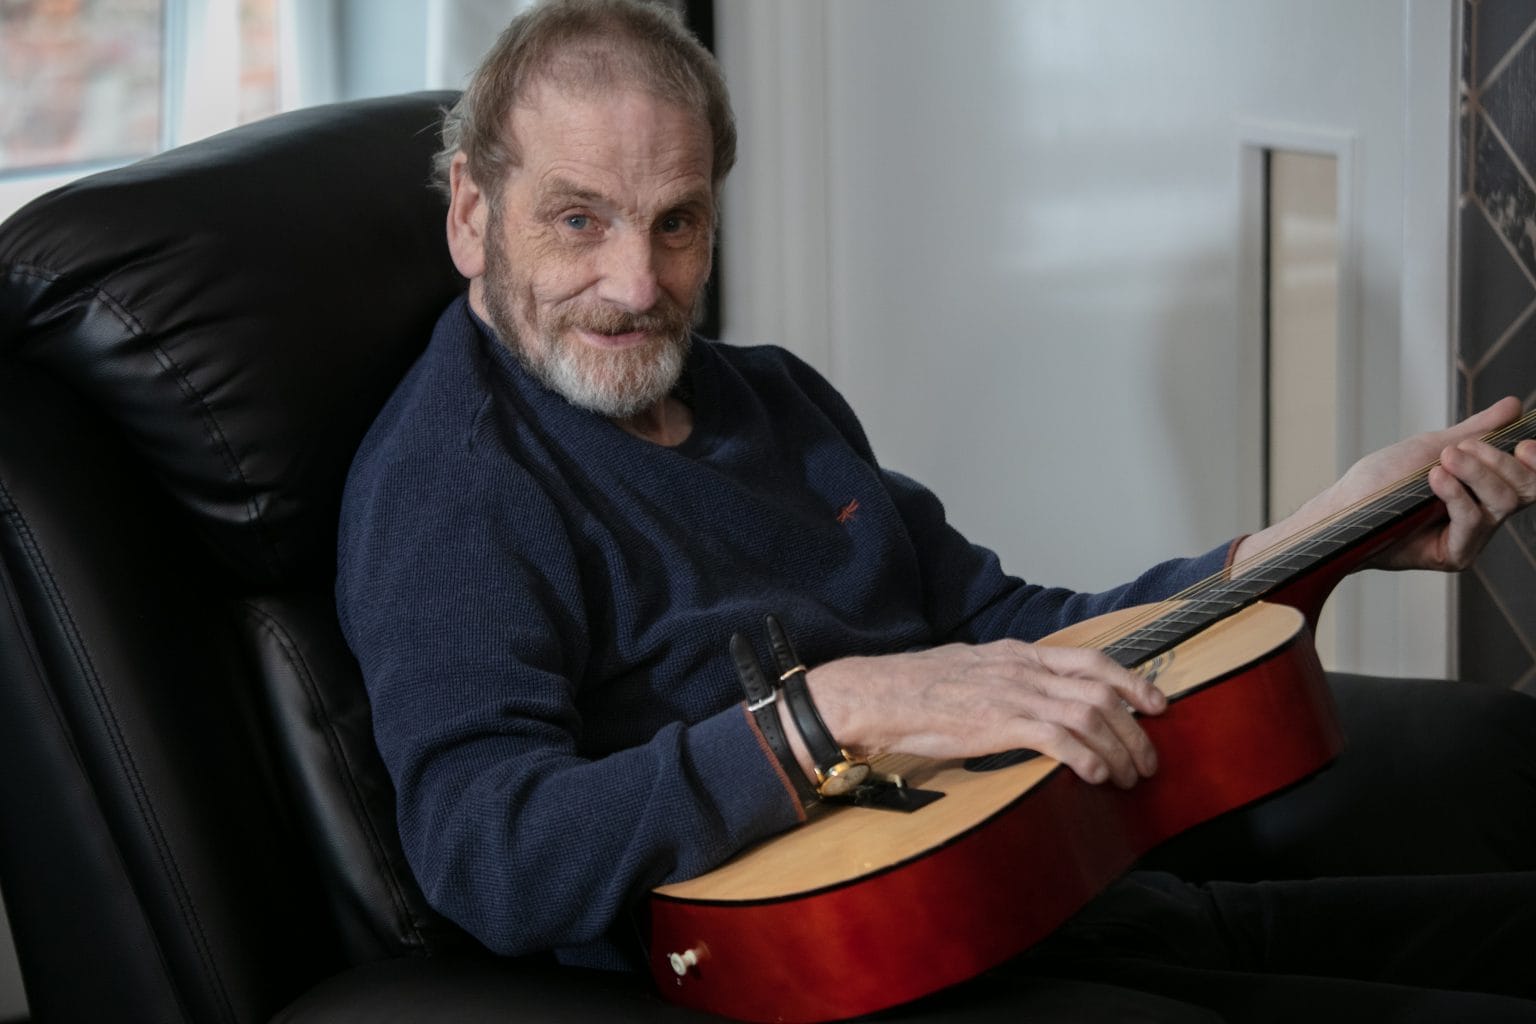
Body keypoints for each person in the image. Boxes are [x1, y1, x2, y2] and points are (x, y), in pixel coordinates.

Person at [336, 0, 1536, 1017]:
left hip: (1028, 844)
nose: (638, 283)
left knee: (1493, 767)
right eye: (578, 220)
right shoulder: (454, 487)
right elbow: (489, 849)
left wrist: (1326, 533)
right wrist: (832, 713)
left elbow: (1011, 625)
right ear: (472, 214)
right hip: (866, 956)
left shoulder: (771, 398)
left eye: (677, 222)